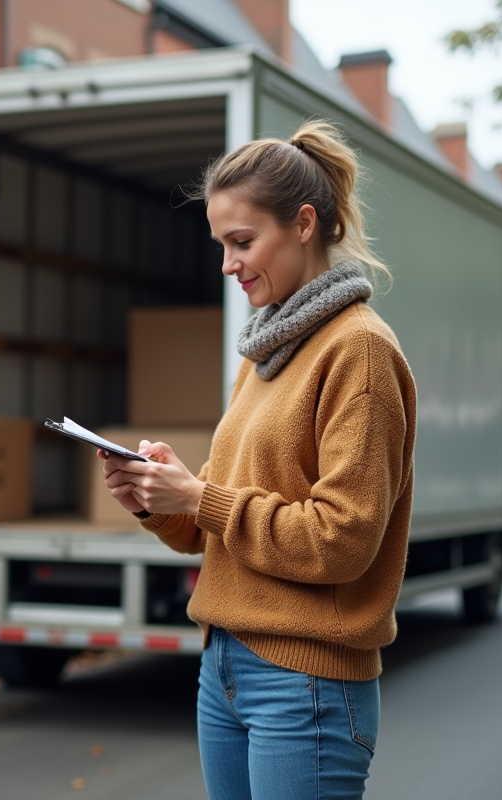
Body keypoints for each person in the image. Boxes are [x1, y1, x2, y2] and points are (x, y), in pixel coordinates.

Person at [100, 120, 417, 800]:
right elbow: (214, 518)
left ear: (304, 223)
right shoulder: (268, 354)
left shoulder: (358, 352)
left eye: (242, 242)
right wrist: (161, 497)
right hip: (224, 669)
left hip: (306, 682)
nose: (228, 264)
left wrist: (199, 498)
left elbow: (343, 541)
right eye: (222, 244)